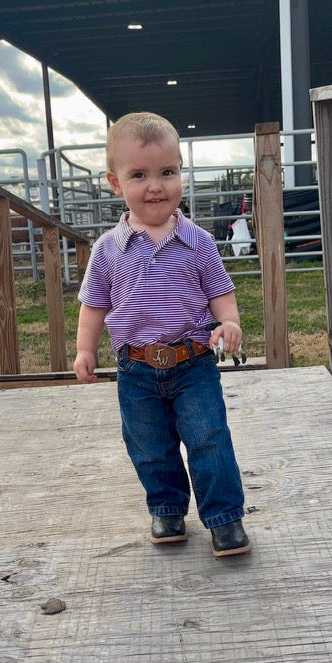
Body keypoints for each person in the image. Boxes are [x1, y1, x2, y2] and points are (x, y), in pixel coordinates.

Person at [73, 111, 250, 557]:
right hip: (136, 368)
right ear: (116, 183)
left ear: (180, 174)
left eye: (167, 172)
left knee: (209, 437)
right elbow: (94, 305)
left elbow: (221, 293)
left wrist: (229, 322)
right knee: (149, 445)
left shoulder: (199, 242)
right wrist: (84, 349)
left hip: (193, 362)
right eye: (140, 175)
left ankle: (224, 518)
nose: (156, 186)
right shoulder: (108, 250)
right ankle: (167, 508)